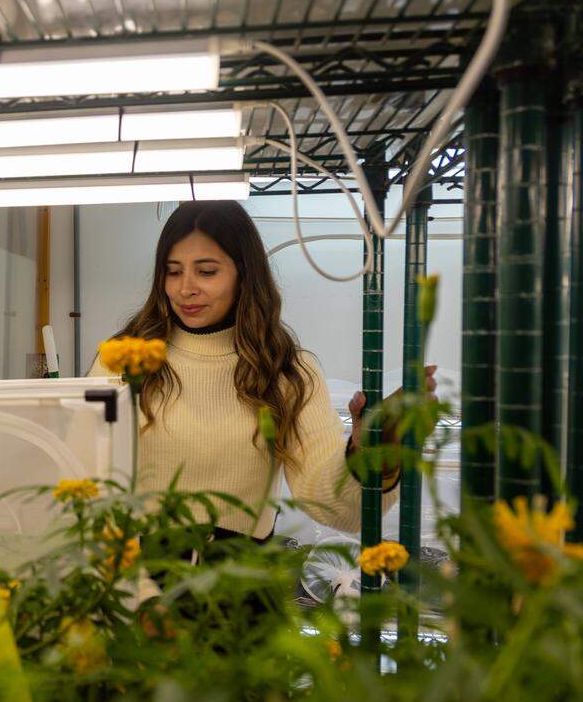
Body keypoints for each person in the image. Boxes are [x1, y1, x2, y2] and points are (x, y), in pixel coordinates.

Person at [89, 200, 436, 547]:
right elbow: (77, 470)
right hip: (134, 582)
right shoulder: (123, 359)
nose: (185, 288)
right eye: (173, 270)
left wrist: (372, 452)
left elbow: (338, 509)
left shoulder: (286, 371)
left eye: (207, 272)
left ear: (244, 274)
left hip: (239, 586)